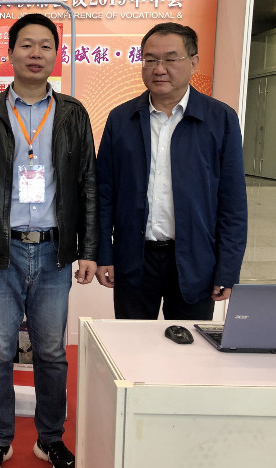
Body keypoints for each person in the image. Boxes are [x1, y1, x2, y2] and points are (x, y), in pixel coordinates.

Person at [0, 13, 99, 468]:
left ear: (56, 55)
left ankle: (49, 438)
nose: (36, 54)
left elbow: (88, 184)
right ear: (11, 52)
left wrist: (89, 249)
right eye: (27, 45)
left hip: (55, 252)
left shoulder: (72, 112)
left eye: (45, 46)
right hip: (1, 251)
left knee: (52, 352)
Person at [95, 22, 247, 320]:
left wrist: (228, 269)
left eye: (170, 59)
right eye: (150, 59)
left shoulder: (220, 119)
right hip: (134, 259)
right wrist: (104, 254)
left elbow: (232, 203)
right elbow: (104, 195)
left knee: (190, 345)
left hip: (195, 260)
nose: (159, 69)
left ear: (193, 62)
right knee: (132, 344)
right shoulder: (121, 119)